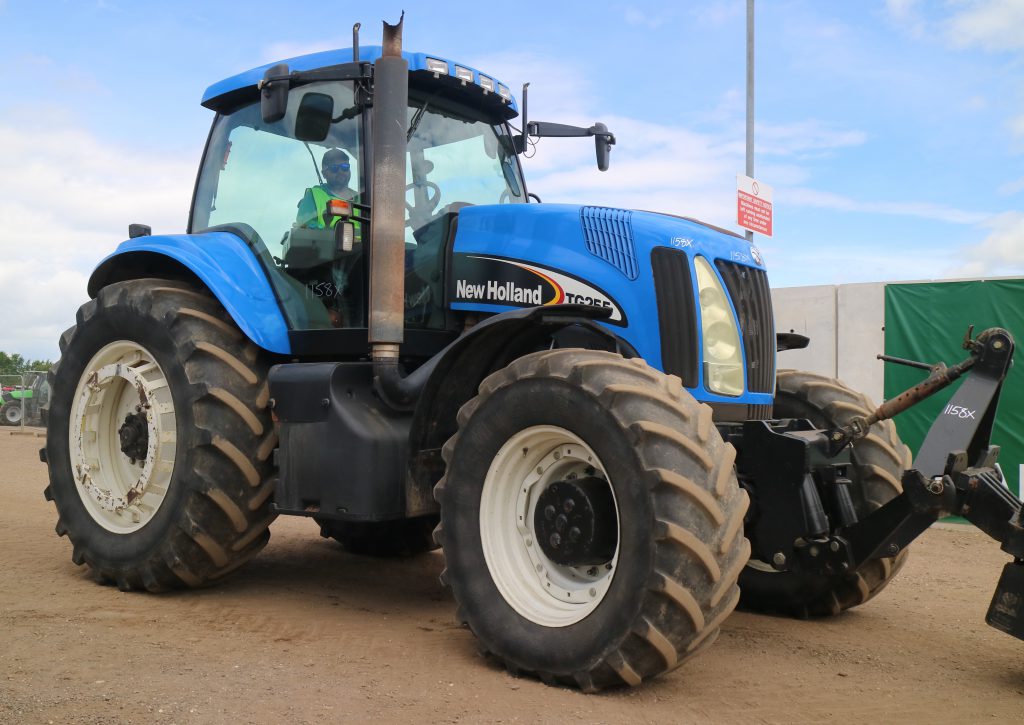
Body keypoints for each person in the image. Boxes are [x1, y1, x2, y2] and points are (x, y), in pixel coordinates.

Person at [296, 148, 360, 229]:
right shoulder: (313, 196)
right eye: (334, 168)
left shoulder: (362, 198)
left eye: (345, 167)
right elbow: (303, 232)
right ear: (324, 174)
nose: (340, 171)